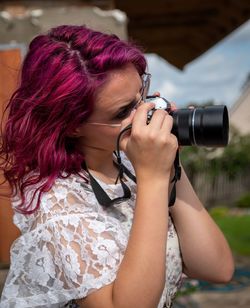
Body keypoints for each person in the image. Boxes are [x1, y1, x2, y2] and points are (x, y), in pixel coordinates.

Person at [0, 25, 234, 308]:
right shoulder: (56, 205)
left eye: (142, 96)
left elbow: (217, 269)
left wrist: (171, 168)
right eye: (123, 112)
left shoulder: (130, 163)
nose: (144, 116)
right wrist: (153, 178)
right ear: (72, 125)